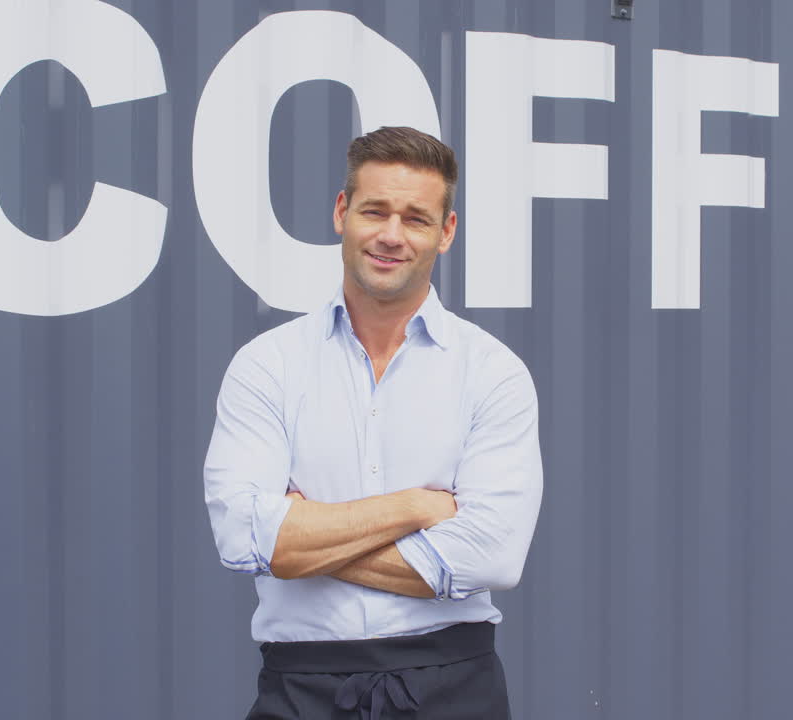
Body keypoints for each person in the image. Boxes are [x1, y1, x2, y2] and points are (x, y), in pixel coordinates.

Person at [203, 126, 543, 719]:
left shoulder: (493, 373)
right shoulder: (267, 366)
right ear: (342, 212)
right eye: (375, 211)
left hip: (455, 689)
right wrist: (414, 507)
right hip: (299, 691)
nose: (391, 235)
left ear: (447, 231)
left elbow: (492, 555)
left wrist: (299, 540)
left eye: (415, 218)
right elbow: (243, 538)